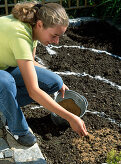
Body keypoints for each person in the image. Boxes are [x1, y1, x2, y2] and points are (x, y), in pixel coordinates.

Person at [0, 1, 88, 147]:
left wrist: (58, 81)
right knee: (5, 81)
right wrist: (70, 117)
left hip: (3, 66)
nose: (57, 41)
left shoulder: (31, 26)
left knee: (54, 82)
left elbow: (31, 62)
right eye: (54, 35)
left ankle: (6, 103)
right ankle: (17, 128)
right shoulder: (20, 35)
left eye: (59, 36)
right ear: (40, 24)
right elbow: (33, 91)